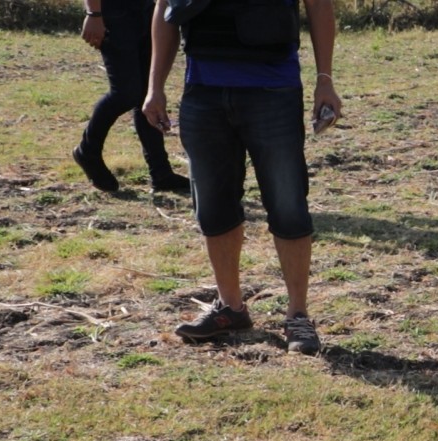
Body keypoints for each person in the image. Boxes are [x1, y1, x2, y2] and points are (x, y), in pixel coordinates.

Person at [142, 0, 341, 355]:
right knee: (213, 206)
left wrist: (324, 80)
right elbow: (165, 8)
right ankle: (230, 307)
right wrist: (154, 85)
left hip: (273, 93)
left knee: (288, 204)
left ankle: (298, 315)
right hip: (203, 94)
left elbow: (320, 6)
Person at [75, 0, 189, 193]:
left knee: (147, 94)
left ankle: (161, 173)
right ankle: (88, 151)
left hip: (145, 9)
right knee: (125, 93)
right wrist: (93, 14)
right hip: (112, 13)